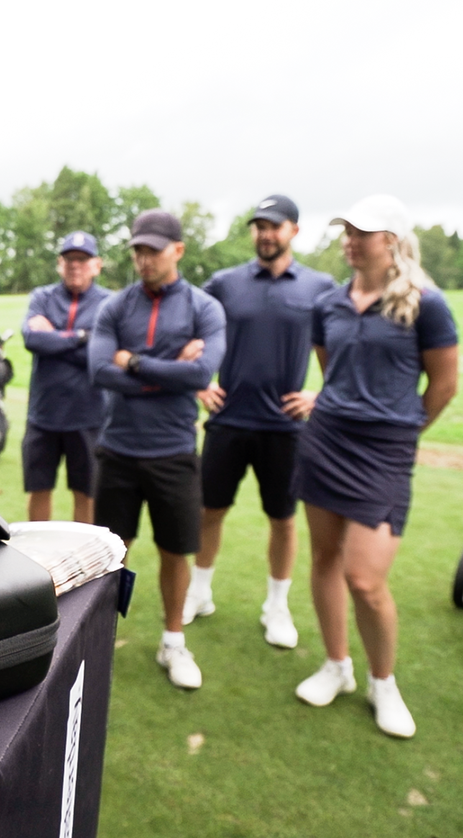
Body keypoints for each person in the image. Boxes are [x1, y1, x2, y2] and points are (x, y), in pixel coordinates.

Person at [290, 195, 458, 739]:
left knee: (364, 578)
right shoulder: (328, 303)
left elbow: (444, 385)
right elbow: (330, 368)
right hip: (327, 440)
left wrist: (403, 431)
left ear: (391, 241)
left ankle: (382, 681)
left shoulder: (427, 305)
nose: (351, 239)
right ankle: (336, 666)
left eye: (363, 232)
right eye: (347, 230)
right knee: (324, 557)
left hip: (385, 452)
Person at [187, 195, 337, 649]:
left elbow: (342, 350)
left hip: (285, 428)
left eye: (274, 226)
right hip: (228, 420)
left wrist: (320, 394)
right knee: (210, 510)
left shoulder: (320, 286)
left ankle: (276, 605)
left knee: (283, 519)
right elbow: (188, 330)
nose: (265, 234)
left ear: (293, 230)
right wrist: (198, 384)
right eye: (259, 226)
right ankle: (199, 591)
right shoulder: (226, 283)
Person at [89, 209, 226, 690]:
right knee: (111, 552)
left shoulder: (203, 308)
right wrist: (168, 373)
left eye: (154, 249)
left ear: (178, 251)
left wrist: (136, 364)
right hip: (118, 449)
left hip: (173, 451)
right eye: (138, 250)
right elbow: (100, 370)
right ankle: (97, 636)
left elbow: (201, 374)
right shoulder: (115, 306)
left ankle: (173, 640)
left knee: (175, 551)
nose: (144, 259)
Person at [21, 230, 112, 523]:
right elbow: (33, 340)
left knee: (86, 493)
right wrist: (84, 337)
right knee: (39, 489)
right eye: (70, 259)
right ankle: (37, 561)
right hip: (43, 415)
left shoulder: (108, 303)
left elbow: (100, 356)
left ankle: (84, 564)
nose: (76, 265)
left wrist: (57, 337)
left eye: (83, 260)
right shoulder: (42, 297)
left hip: (89, 417)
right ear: (60, 263)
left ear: (97, 265)